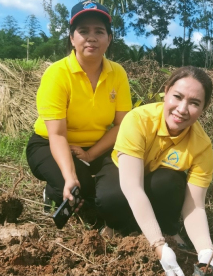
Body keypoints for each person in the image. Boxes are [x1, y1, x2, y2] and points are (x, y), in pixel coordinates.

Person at [95, 66, 213, 276]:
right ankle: (119, 226)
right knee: (110, 198)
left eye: (194, 103)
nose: (182, 109)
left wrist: (207, 253)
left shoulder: (201, 145)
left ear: (204, 108)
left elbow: (195, 205)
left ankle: (169, 229)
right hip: (125, 172)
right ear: (166, 91)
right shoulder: (139, 120)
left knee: (170, 182)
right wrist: (158, 245)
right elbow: (132, 186)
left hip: (158, 179)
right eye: (177, 97)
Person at [26, 0, 132, 213]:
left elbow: (122, 125)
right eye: (83, 31)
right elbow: (57, 134)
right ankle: (56, 190)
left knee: (117, 196)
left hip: (98, 146)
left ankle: (82, 192)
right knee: (82, 190)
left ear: (109, 39)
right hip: (50, 144)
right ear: (72, 38)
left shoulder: (118, 73)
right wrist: (70, 176)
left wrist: (91, 154)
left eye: (99, 31)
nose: (92, 37)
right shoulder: (57, 74)